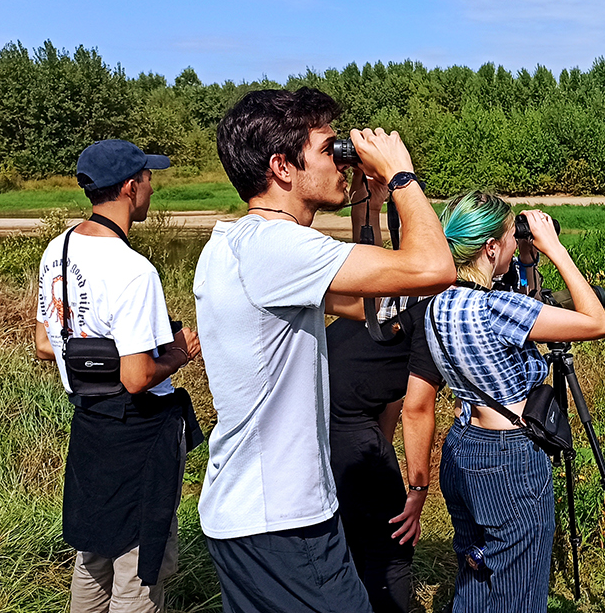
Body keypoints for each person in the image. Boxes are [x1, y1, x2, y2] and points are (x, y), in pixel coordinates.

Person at [193, 88, 455, 612]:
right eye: (328, 148)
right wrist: (403, 176)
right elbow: (434, 269)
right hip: (283, 520)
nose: (341, 161)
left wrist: (371, 205)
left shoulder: (238, 242)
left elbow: (374, 304)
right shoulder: (278, 247)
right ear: (283, 167)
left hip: (246, 513)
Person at [34, 139, 203, 613]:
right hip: (139, 435)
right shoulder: (134, 269)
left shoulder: (58, 248)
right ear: (130, 187)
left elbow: (46, 344)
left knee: (93, 556)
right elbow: (136, 376)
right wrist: (177, 353)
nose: (152, 186)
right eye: (149, 178)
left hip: (90, 426)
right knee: (140, 568)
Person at [424, 192, 605, 613]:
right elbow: (597, 322)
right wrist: (555, 248)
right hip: (509, 459)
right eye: (511, 236)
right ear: (490, 247)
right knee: (520, 591)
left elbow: (522, 310)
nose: (515, 241)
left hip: (462, 445)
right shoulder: (495, 308)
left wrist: (526, 261)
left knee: (476, 571)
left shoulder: (438, 303)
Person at [323, 171, 441, 613]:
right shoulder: (431, 295)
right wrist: (416, 492)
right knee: (392, 546)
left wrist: (366, 201)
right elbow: (416, 408)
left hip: (324, 414)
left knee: (354, 533)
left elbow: (391, 396)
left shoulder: (393, 282)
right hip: (348, 426)